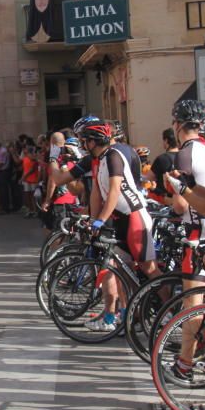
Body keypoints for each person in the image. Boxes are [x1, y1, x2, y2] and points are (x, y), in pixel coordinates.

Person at [77, 118, 158, 332]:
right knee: (122, 269)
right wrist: (93, 219)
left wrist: (100, 220)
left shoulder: (113, 156)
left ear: (93, 141)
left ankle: (167, 310)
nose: (82, 145)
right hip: (121, 219)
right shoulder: (101, 158)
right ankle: (129, 314)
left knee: (149, 268)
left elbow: (114, 191)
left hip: (134, 217)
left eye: (84, 140)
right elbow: (97, 193)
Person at [162, 100, 205, 381]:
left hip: (197, 236)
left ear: (177, 125)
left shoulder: (184, 154)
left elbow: (180, 206)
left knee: (194, 303)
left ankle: (185, 364)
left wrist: (170, 191)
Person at [149, 128, 179, 201]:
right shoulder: (185, 156)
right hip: (184, 199)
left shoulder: (161, 158)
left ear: (166, 140)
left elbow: (149, 177)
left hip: (166, 200)